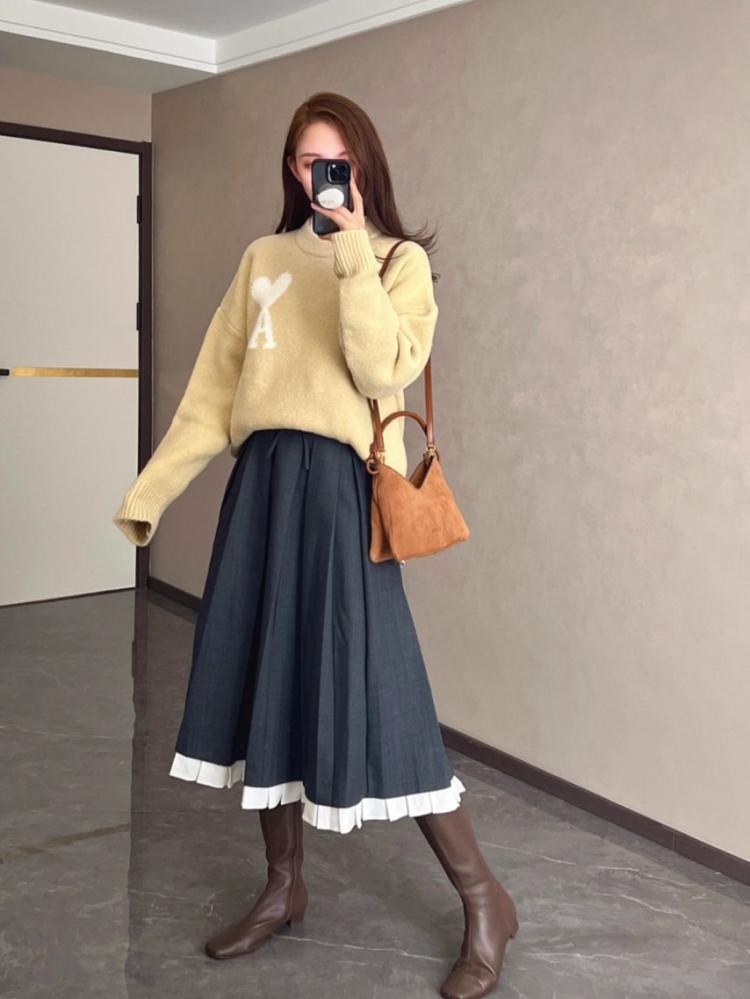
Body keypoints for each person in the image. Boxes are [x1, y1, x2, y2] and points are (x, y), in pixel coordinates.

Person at [113, 91, 518, 999]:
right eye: (308, 162)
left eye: (338, 161)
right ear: (292, 171)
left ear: (362, 166)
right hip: (262, 488)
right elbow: (213, 392)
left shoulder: (398, 262)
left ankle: (485, 899)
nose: (323, 176)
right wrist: (150, 494)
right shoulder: (261, 259)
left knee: (385, 691)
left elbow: (382, 368)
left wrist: (352, 252)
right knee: (268, 681)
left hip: (343, 493)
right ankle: (282, 885)